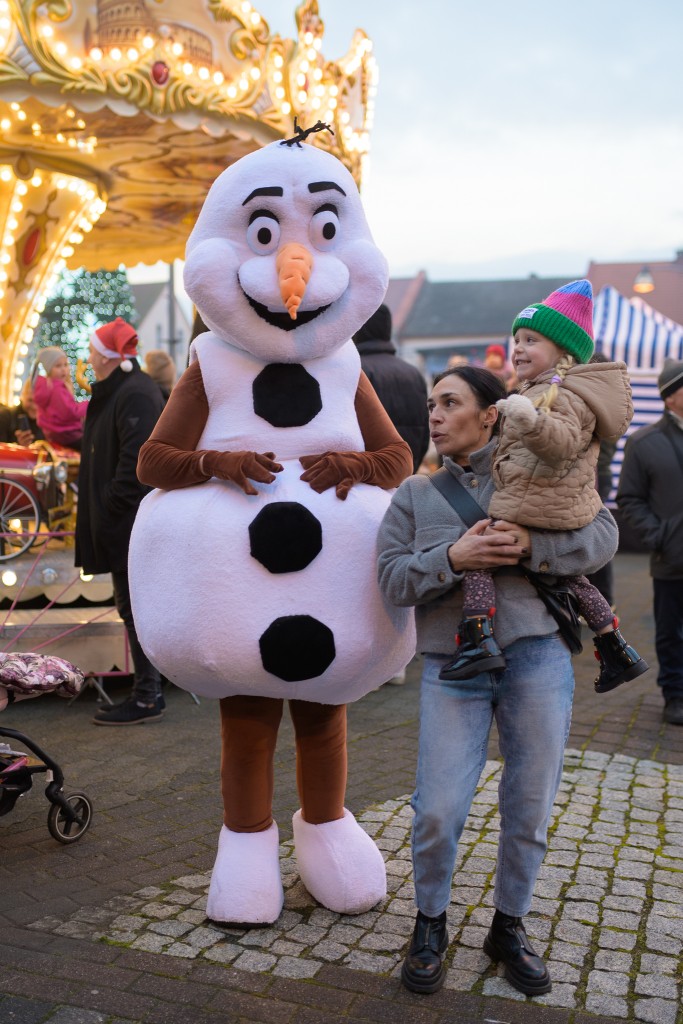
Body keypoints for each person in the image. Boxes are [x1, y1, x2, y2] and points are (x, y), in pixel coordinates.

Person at [377, 363, 619, 996]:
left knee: (529, 806)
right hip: (452, 665)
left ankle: (508, 927)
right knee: (437, 809)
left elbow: (603, 535)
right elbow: (391, 580)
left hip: (537, 656)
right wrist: (451, 558)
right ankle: (430, 922)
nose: (434, 415)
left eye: (449, 403)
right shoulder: (415, 494)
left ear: (490, 415)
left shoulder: (543, 469)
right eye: (431, 404)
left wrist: (535, 549)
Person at [439, 281, 647, 695]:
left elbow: (561, 443)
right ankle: (615, 646)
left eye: (531, 340)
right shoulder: (544, 388)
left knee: (480, 555)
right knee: (574, 580)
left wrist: (527, 419)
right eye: (517, 339)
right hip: (551, 501)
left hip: (536, 501)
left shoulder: (565, 395)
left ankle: (477, 637)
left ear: (563, 351)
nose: (518, 348)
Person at [74, 318, 165, 726]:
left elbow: (135, 461)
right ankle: (147, 692)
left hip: (129, 523)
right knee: (132, 608)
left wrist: (110, 505)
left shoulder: (134, 393)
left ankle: (147, 696)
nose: (88, 358)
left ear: (107, 356)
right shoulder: (123, 390)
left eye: (92, 351)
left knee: (137, 609)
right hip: (122, 521)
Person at [616, 357, 683, 726]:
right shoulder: (644, 442)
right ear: (670, 396)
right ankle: (675, 694)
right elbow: (629, 499)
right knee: (671, 632)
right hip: (673, 556)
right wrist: (660, 537)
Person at [353, 304, 429, 473]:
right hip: (407, 470)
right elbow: (425, 429)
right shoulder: (413, 373)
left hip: (369, 474)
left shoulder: (356, 370)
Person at [31, 347, 87, 450]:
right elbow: (71, 412)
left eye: (65, 365)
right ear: (49, 369)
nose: (63, 369)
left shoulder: (47, 388)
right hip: (69, 435)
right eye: (58, 366)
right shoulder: (57, 389)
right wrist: (88, 404)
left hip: (55, 436)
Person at [0, 380, 44, 446]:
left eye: (39, 401)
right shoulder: (4, 417)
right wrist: (18, 446)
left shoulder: (46, 425)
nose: (35, 407)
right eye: (30, 400)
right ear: (22, 396)